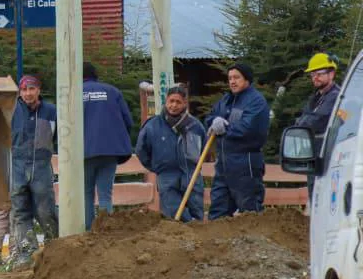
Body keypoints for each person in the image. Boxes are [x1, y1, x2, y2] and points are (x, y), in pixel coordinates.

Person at [206, 62, 270, 218]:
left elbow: (247, 128)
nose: (232, 82)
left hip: (245, 165)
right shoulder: (226, 100)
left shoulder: (256, 102)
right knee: (218, 212)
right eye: (230, 78)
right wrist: (213, 121)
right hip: (224, 166)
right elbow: (210, 117)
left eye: (236, 78)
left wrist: (225, 128)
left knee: (249, 213)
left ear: (247, 79)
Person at [7, 75, 58, 268]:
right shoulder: (11, 110)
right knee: (20, 211)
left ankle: (54, 247)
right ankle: (26, 254)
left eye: (32, 89)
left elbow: (63, 136)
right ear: (20, 92)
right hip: (17, 164)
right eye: (24, 90)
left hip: (42, 166)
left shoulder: (51, 111)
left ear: (39, 90)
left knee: (45, 210)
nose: (28, 93)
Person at [135, 86, 206, 221]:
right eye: (171, 101)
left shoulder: (195, 126)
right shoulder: (153, 126)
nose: (174, 105)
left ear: (185, 103)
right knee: (174, 217)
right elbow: (141, 150)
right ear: (166, 101)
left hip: (191, 176)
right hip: (167, 176)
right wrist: (157, 167)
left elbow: (203, 149)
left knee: (197, 217)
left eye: (178, 102)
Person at [81, 61, 135, 229]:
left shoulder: (73, 92)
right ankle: (105, 232)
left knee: (86, 194)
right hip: (110, 151)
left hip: (85, 152)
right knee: (105, 194)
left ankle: (88, 231)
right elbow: (128, 121)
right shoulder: (113, 91)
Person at [293, 52, 341, 200]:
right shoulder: (317, 97)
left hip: (326, 157)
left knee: (322, 199)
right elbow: (302, 119)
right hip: (315, 156)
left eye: (319, 73)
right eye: (312, 74)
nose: (315, 78)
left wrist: (303, 121)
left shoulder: (336, 96)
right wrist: (302, 121)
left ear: (331, 73)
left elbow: (316, 120)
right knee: (314, 197)